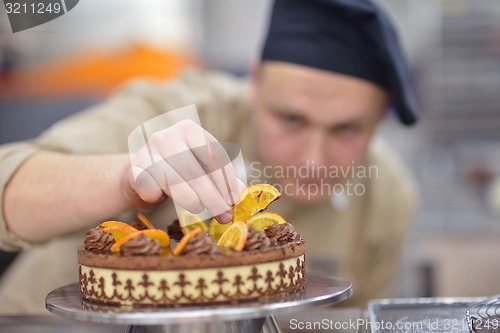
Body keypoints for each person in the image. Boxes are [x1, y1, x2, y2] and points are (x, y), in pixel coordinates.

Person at [0, 0, 418, 314]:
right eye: (291, 119)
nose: (312, 159)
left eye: (346, 129)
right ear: (254, 83)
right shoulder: (170, 110)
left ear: (381, 118)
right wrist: (125, 180)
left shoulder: (386, 199)